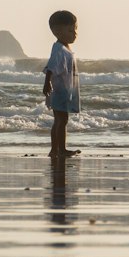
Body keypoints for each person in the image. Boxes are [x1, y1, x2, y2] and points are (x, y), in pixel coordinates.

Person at [42, 10, 80, 160]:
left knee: (60, 120)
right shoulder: (59, 49)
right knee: (61, 120)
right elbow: (51, 67)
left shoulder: (64, 48)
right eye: (70, 30)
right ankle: (60, 149)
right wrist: (47, 84)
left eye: (75, 30)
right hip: (60, 91)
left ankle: (55, 149)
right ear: (57, 31)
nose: (74, 33)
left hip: (63, 91)